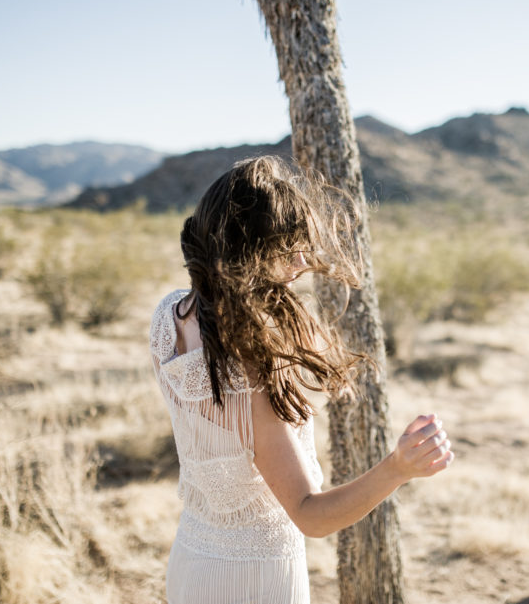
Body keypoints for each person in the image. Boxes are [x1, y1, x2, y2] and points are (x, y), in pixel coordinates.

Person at [148, 155, 454, 604]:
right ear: (248, 252)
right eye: (286, 246)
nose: (301, 260)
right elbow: (310, 515)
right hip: (256, 582)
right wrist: (398, 469)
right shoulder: (251, 370)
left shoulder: (168, 317)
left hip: (192, 564)